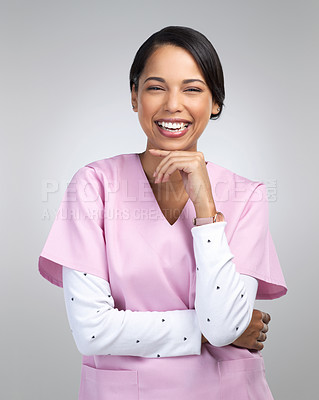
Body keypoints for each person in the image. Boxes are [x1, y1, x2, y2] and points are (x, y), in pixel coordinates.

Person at [38, 26, 287, 400]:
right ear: (134, 97)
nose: (173, 104)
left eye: (192, 88)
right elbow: (91, 331)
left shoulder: (246, 196)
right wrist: (201, 331)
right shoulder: (94, 185)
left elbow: (224, 328)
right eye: (156, 87)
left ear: (215, 103)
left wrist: (206, 209)